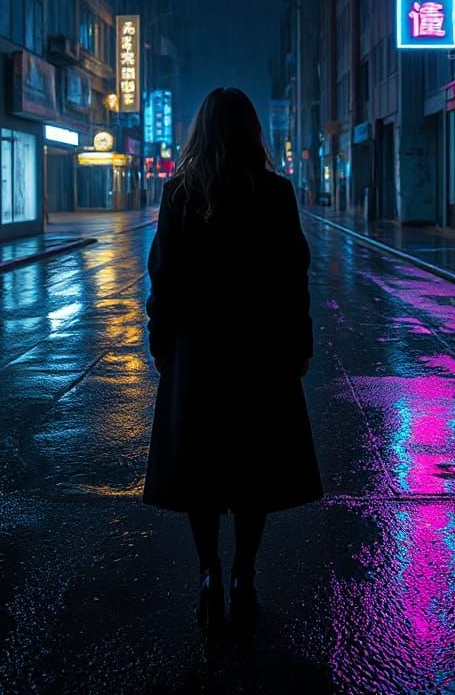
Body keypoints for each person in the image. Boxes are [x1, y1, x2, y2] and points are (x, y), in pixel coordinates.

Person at [142, 87, 323, 636]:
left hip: (199, 353)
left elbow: (163, 278)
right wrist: (299, 344)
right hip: (261, 351)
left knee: (200, 467)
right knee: (253, 466)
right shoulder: (275, 193)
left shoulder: (179, 195)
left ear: (200, 133)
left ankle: (208, 572)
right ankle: (245, 572)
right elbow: (295, 277)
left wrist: (163, 343)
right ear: (253, 132)